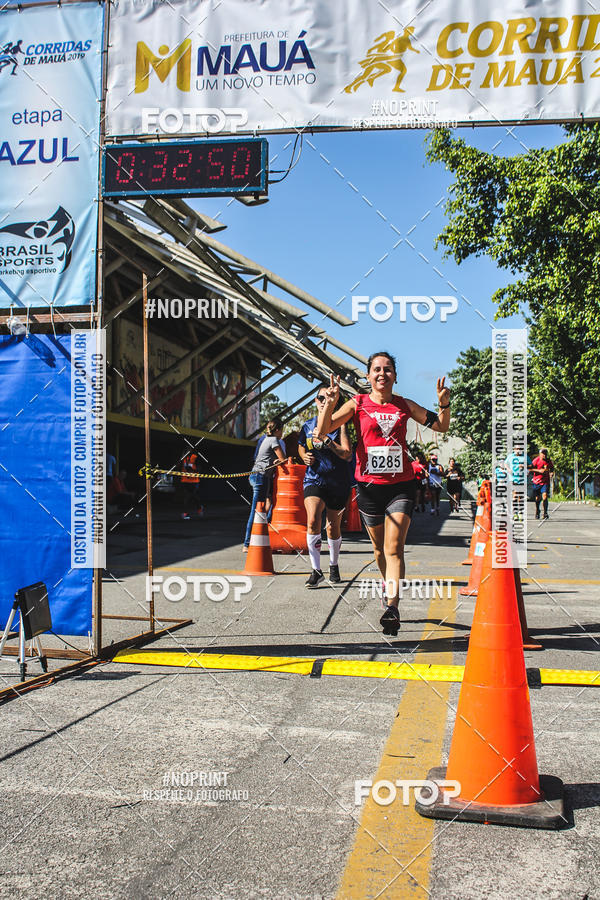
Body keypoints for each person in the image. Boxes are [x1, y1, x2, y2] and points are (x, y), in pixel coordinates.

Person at [315, 352, 450, 636]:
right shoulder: (357, 404)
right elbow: (323, 430)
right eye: (376, 369)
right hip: (368, 488)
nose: (382, 374)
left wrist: (444, 404)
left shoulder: (404, 405)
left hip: (401, 486)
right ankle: (387, 585)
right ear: (368, 376)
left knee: (394, 548)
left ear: (395, 376)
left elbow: (441, 425)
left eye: (388, 370)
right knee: (379, 550)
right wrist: (329, 403)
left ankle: (392, 607)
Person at [297, 388, 353, 588]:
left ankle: (334, 565)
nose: (323, 401)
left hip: (338, 482)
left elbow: (347, 454)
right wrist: (304, 455)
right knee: (312, 520)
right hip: (314, 478)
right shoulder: (307, 425)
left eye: (327, 398)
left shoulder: (342, 423)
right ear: (315, 400)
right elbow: (301, 445)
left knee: (332, 526)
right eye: (320, 398)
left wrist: (327, 440)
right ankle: (315, 570)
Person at [243, 419, 286, 551]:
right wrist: (280, 460)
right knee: (256, 511)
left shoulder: (265, 439)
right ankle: (247, 543)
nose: (282, 433)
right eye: (282, 430)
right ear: (277, 430)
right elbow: (284, 458)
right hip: (261, 477)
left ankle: (261, 536)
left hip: (258, 475)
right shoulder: (274, 440)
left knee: (265, 506)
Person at [530, 447, 554, 520]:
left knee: (545, 496)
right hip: (536, 481)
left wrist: (551, 473)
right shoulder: (536, 460)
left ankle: (545, 512)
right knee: (537, 498)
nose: (544, 455)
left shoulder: (548, 461)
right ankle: (537, 510)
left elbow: (552, 468)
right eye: (543, 454)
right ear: (540, 454)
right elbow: (530, 469)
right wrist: (539, 471)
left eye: (545, 454)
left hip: (545, 482)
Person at [180, 448, 203, 520]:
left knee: (194, 496)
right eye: (186, 450)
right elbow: (179, 467)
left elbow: (200, 468)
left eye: (189, 450)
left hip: (194, 481)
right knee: (187, 497)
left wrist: (192, 470)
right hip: (185, 480)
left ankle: (199, 508)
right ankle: (186, 514)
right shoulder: (183, 458)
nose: (187, 451)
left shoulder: (195, 457)